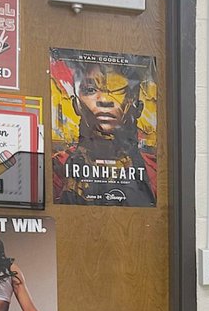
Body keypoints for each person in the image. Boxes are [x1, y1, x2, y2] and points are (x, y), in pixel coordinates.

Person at [51, 55, 157, 206]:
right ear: (76, 105)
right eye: (90, 90)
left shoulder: (155, 172)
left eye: (118, 90)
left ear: (138, 107)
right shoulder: (57, 169)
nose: (105, 100)